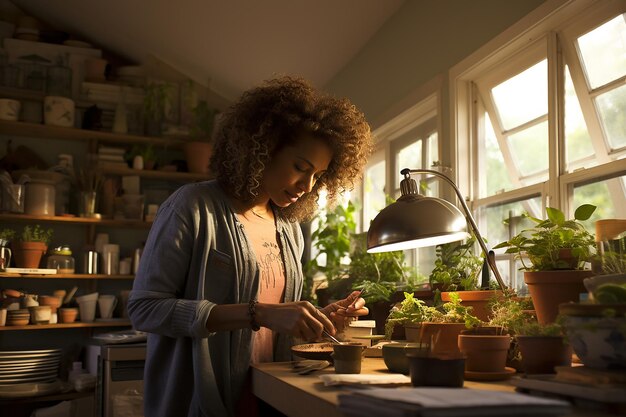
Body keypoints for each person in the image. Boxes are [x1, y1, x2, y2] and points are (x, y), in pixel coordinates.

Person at [128, 76, 373, 417]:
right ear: (263, 148)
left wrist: (316, 320)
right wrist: (258, 313)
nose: (307, 185)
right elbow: (144, 309)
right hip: (202, 403)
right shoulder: (193, 207)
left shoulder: (289, 229)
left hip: (267, 398)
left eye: (317, 175)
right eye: (300, 167)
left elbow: (276, 328)